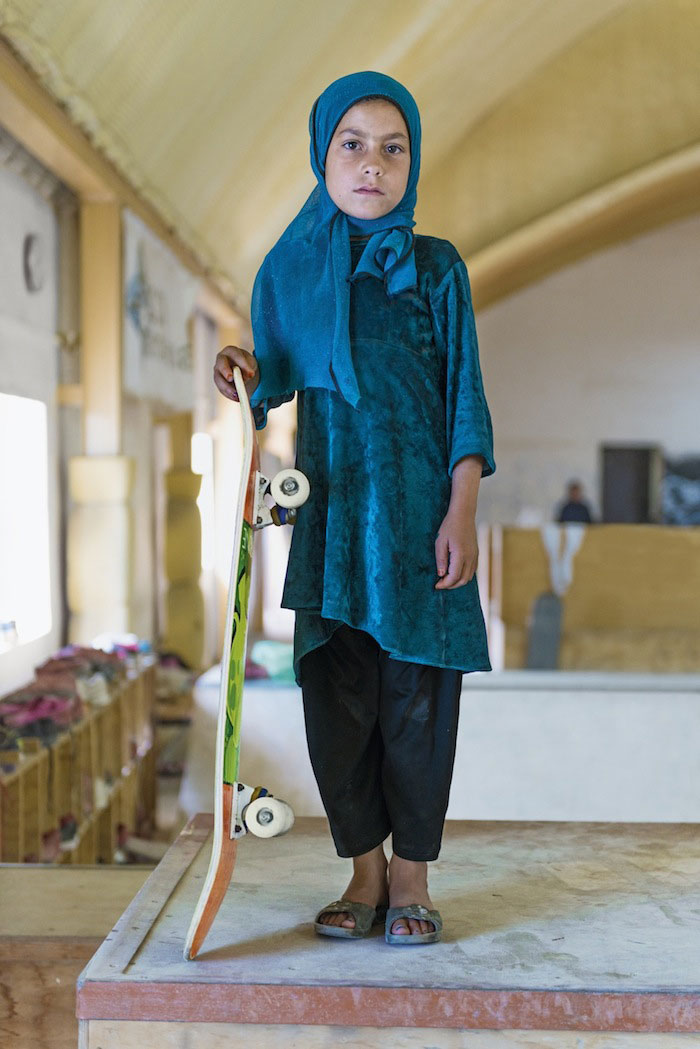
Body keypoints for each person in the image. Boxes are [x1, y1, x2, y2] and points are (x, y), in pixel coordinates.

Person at [213, 72, 495, 945]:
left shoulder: (437, 267)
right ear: (322, 155)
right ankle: (365, 871)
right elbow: (271, 377)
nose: (373, 163)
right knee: (337, 700)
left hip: (419, 527)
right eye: (353, 144)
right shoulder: (292, 270)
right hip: (334, 522)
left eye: (392, 147)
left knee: (419, 701)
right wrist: (240, 368)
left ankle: (412, 876)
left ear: (412, 161)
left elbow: (466, 397)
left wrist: (462, 510)